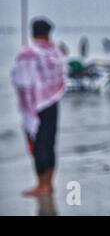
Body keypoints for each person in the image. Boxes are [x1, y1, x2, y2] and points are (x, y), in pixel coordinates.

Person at [11, 17, 66, 197]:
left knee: (38, 145)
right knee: (49, 143)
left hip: (35, 105)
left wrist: (28, 108)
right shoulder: (54, 52)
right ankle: (48, 183)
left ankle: (42, 184)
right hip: (53, 102)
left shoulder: (29, 53)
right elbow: (61, 76)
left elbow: (21, 81)